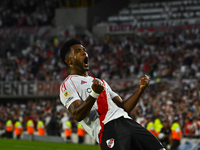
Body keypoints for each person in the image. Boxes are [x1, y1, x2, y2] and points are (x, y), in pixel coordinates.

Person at [59, 38, 165, 150]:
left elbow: (123, 107)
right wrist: (94, 94)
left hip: (127, 121)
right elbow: (76, 114)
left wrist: (141, 90)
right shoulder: (68, 84)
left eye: (84, 50)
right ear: (69, 61)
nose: (84, 52)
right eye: (77, 51)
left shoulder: (101, 82)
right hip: (108, 127)